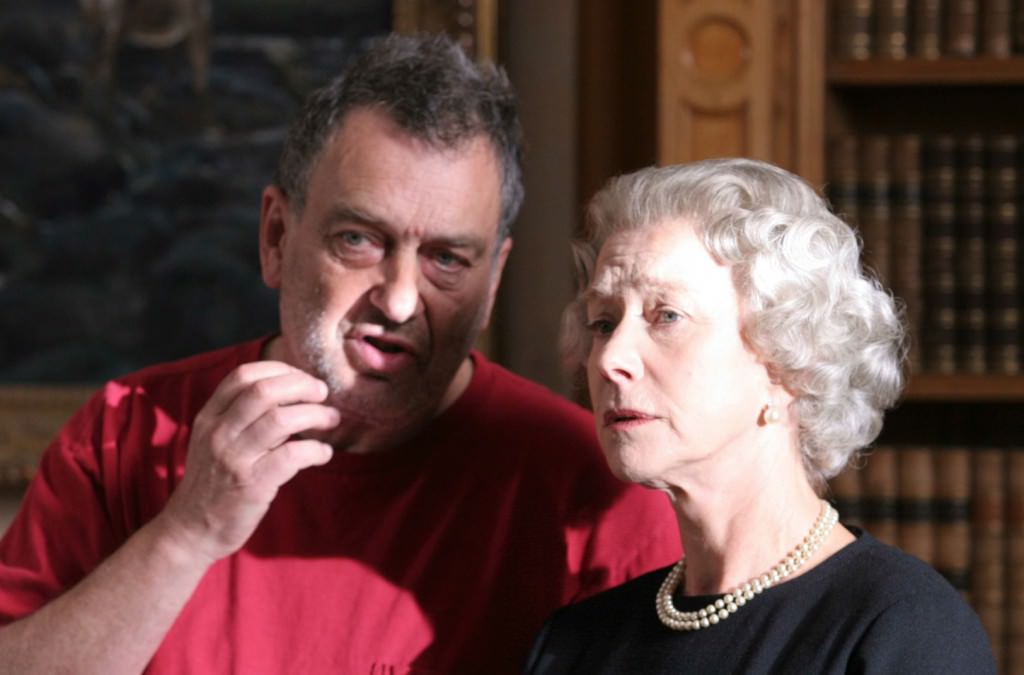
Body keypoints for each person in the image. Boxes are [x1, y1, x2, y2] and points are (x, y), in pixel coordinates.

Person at [0, 33, 681, 673]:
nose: (401, 300)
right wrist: (186, 534)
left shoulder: (597, 491)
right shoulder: (123, 435)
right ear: (276, 237)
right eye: (360, 240)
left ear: (493, 279)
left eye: (447, 258)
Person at [523, 157, 996, 674]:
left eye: (667, 316)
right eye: (603, 322)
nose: (611, 358)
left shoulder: (906, 632)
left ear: (788, 361)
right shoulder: (573, 645)